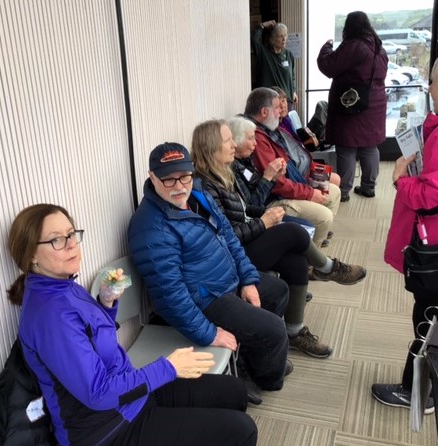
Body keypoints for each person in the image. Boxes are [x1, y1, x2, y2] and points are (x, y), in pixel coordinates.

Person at [7, 203, 258, 446]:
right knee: (241, 431)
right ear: (31, 255)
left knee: (234, 391)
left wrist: (106, 303)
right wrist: (169, 368)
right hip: (106, 431)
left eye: (71, 234)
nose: (71, 244)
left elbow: (92, 339)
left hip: (129, 396)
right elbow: (98, 393)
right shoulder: (50, 316)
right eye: (56, 240)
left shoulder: (64, 285)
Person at [128, 142, 292, 404]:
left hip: (227, 278)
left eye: (184, 176)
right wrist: (210, 333)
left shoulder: (198, 194)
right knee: (274, 331)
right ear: (152, 177)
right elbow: (170, 297)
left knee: (278, 291)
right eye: (169, 180)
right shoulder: (150, 228)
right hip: (206, 299)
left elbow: (228, 237)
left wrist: (248, 279)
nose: (179, 186)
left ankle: (254, 359)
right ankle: (266, 379)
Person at [191, 119, 368, 357]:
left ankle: (294, 331)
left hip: (244, 240)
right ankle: (328, 268)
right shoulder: (205, 186)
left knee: (296, 261)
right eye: (228, 141)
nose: (234, 144)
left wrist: (266, 213)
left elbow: (243, 210)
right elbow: (224, 236)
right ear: (211, 147)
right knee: (293, 232)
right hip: (231, 257)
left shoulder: (223, 173)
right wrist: (263, 221)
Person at [372, 49, 438, 413]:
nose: (429, 88)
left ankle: (417, 393)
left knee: (428, 318)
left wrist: (401, 180)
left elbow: (437, 196)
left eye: (432, 82)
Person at [245, 87, 341, 248]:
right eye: (277, 107)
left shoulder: (273, 129)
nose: (281, 110)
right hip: (276, 197)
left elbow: (298, 156)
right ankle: (313, 255)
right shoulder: (258, 137)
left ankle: (317, 233)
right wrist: (309, 193)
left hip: (297, 179)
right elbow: (278, 184)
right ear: (264, 112)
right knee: (324, 216)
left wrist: (313, 177)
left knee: (335, 191)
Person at [317, 11, 388, 202]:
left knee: (347, 147)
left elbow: (328, 66)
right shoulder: (379, 47)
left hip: (351, 105)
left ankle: (343, 191)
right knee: (369, 147)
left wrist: (326, 48)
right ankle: (368, 187)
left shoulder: (354, 45)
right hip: (375, 105)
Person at [270, 86, 341, 188]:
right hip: (299, 173)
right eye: (278, 103)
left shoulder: (287, 121)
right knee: (334, 181)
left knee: (336, 179)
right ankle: (319, 193)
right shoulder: (275, 129)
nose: (282, 106)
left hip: (306, 164)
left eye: (283, 101)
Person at [251, 20, 298, 110]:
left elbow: (292, 77)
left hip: (287, 102)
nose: (284, 39)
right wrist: (262, 25)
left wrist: (293, 91)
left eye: (285, 35)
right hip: (270, 103)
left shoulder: (289, 55)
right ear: (272, 39)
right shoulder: (264, 53)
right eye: (280, 36)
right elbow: (254, 39)